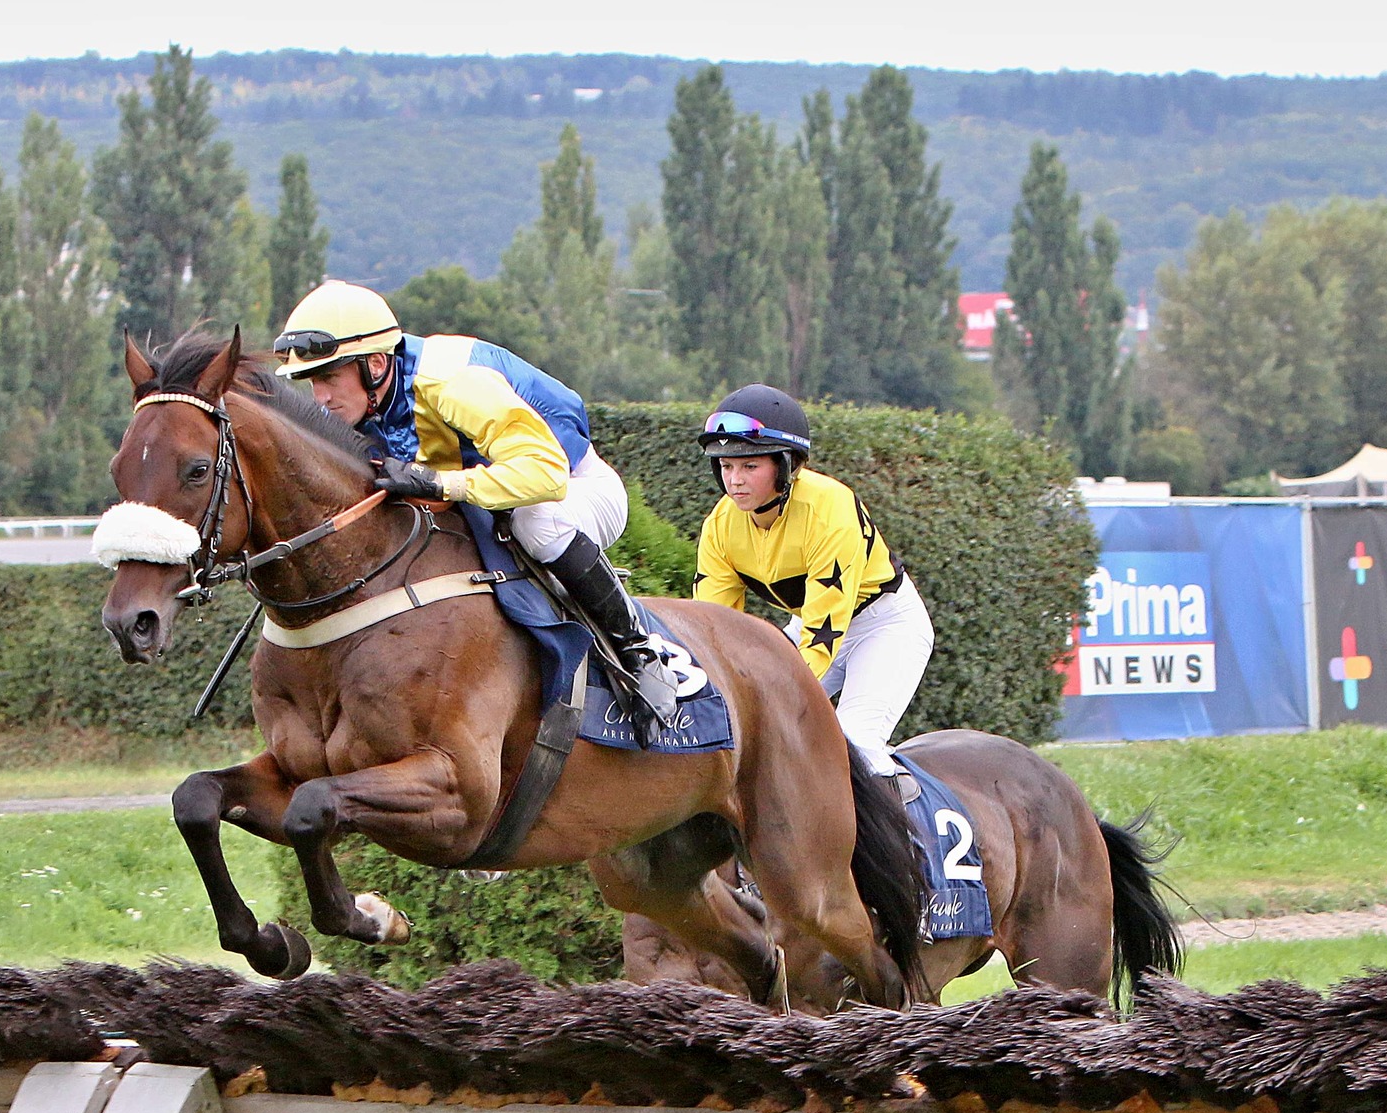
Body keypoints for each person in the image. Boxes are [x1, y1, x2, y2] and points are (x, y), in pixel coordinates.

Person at [271, 280, 681, 734]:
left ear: (375, 364)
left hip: (573, 489)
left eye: (329, 377)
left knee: (535, 521)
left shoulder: (451, 383)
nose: (320, 397)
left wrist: (442, 484)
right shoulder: (369, 404)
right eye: (312, 382)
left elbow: (544, 476)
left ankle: (639, 652)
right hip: (489, 503)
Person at [691, 385, 935, 798]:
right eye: (726, 466)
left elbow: (824, 630)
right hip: (810, 627)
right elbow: (711, 628)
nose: (734, 481)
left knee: (852, 746)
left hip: (884, 627)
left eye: (750, 466)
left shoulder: (831, 507)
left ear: (786, 466)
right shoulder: (720, 526)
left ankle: (907, 848)